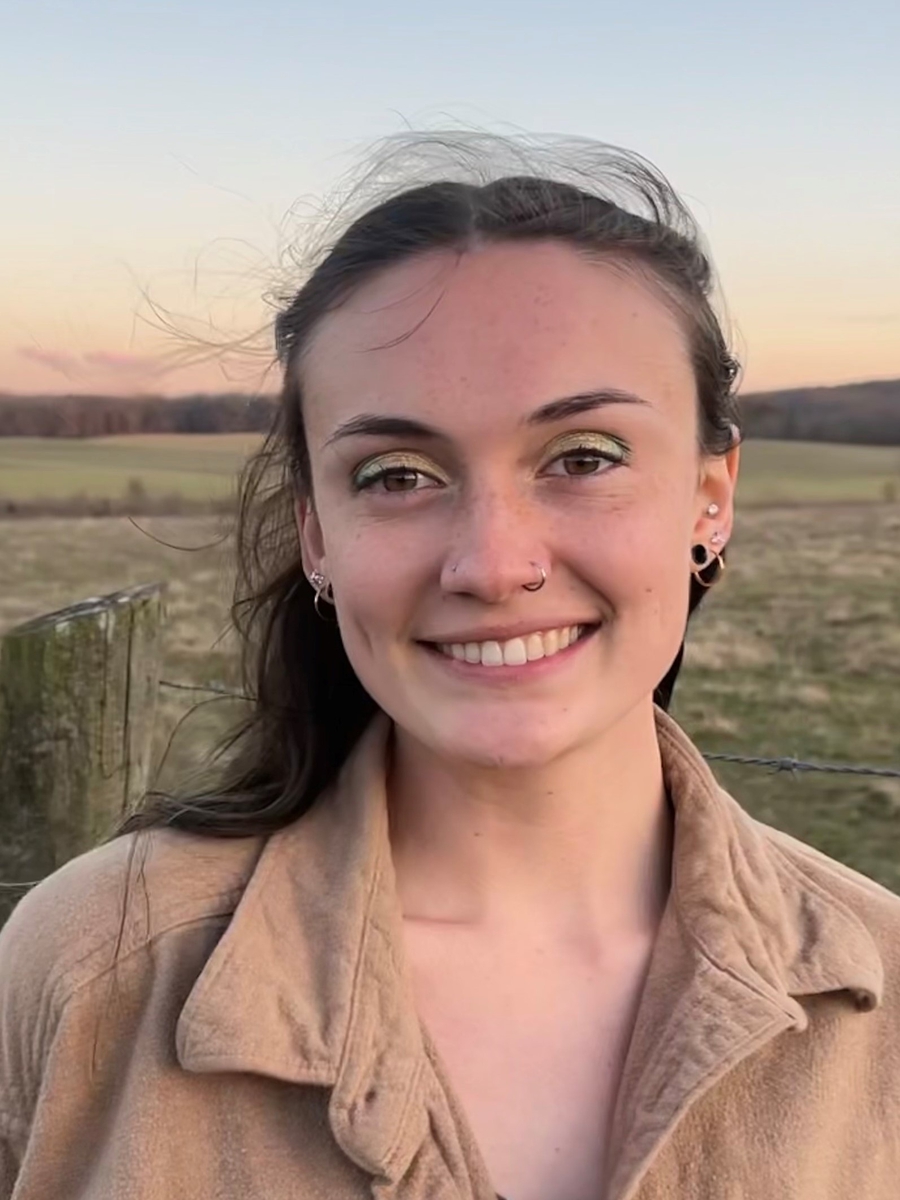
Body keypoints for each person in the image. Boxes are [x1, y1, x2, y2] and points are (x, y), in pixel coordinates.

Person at [1, 132, 898, 1200]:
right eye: (396, 475)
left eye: (585, 457)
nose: (492, 564)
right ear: (318, 534)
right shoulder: (89, 968)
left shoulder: (884, 995)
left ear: (711, 497)